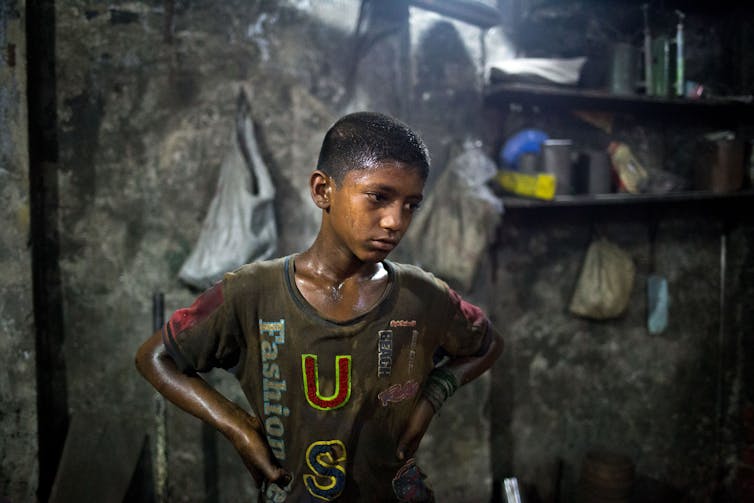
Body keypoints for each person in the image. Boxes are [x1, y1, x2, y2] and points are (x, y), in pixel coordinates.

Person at [135, 111, 503, 502]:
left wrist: (433, 396)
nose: (396, 220)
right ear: (323, 190)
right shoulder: (252, 292)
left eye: (411, 204)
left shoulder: (423, 295)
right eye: (379, 197)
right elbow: (155, 357)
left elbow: (487, 344)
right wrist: (238, 427)